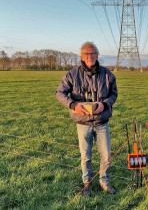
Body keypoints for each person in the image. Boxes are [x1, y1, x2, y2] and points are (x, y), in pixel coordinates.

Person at [55, 41, 118, 196]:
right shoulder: (72, 74)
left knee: (107, 156)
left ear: (97, 55)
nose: (90, 57)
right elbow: (59, 93)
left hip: (102, 122)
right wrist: (73, 105)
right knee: (86, 157)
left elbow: (114, 94)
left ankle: (104, 181)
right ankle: (87, 183)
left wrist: (106, 103)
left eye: (93, 53)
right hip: (82, 123)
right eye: (86, 54)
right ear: (81, 56)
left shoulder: (107, 74)